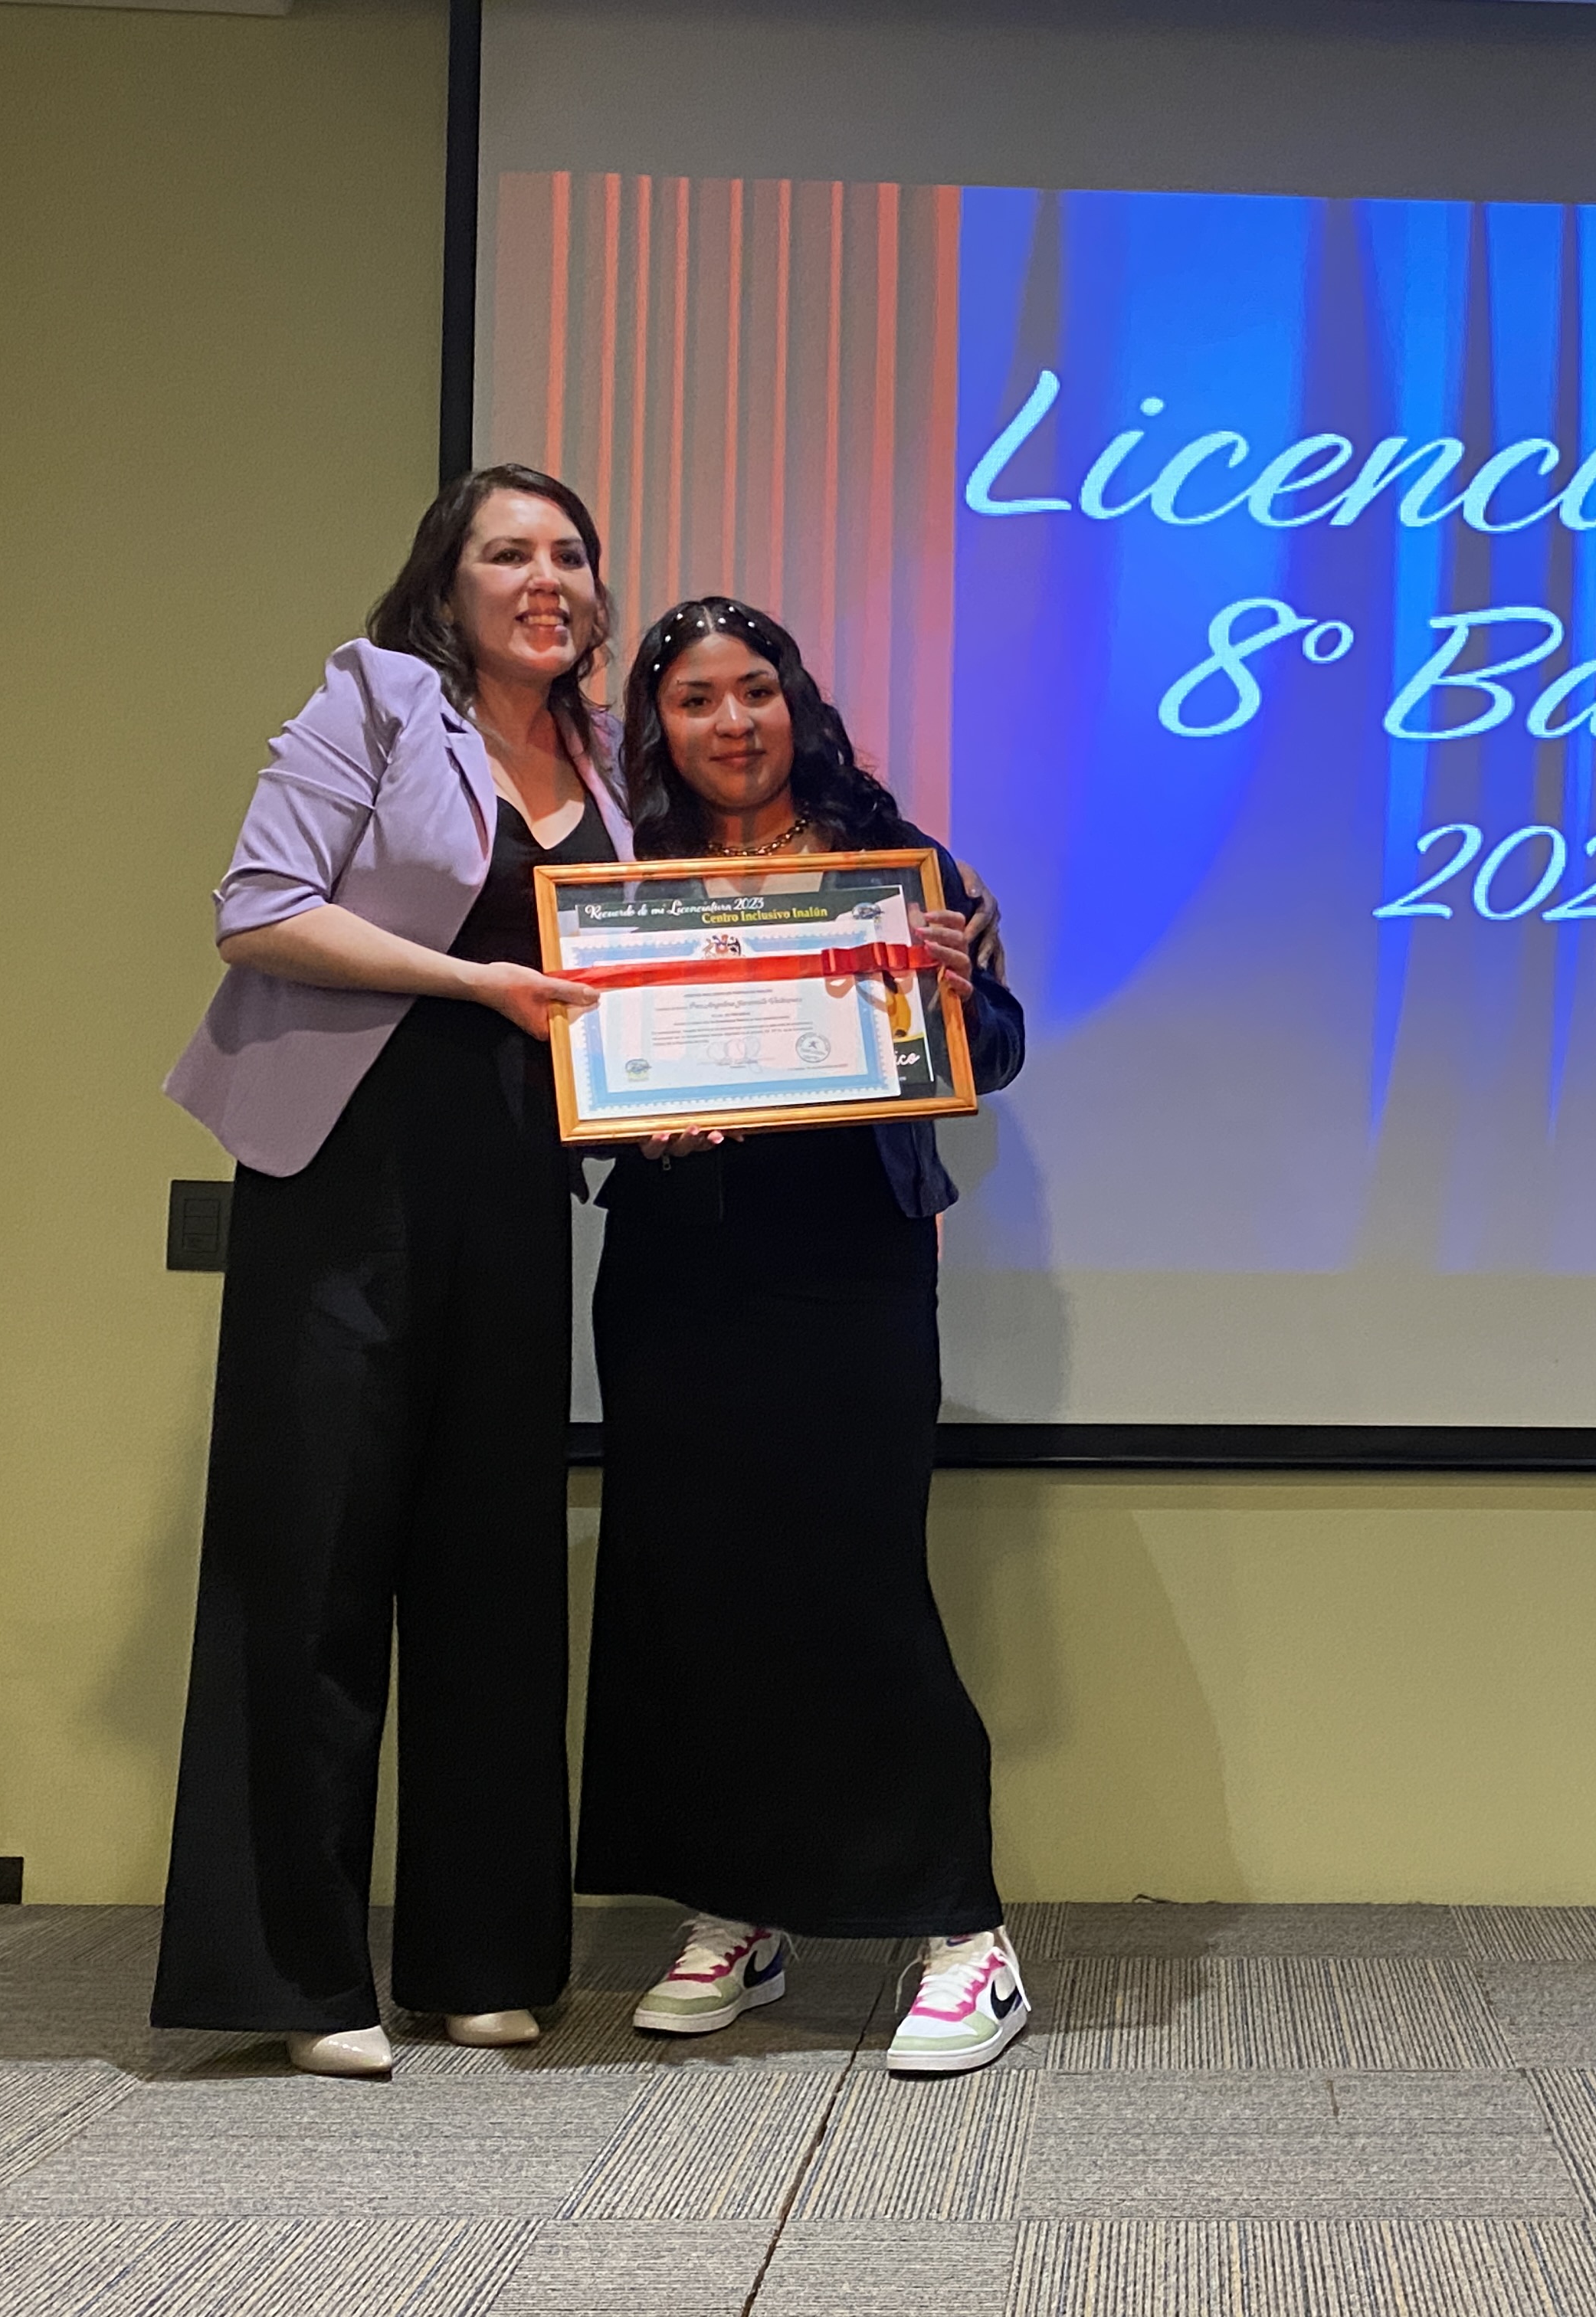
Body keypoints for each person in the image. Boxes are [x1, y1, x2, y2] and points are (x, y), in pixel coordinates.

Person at [154, 466, 632, 2076]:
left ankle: (479, 1958)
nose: (546, 578)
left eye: (569, 554)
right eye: (510, 553)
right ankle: (295, 1978)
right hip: (343, 1178)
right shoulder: (371, 701)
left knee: (496, 1568)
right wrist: (473, 981)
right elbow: (258, 912)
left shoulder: (604, 759)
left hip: (517, 1185)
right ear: (449, 580)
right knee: (314, 1559)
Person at [573, 596, 1033, 2077]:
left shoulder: (900, 863)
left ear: (797, 704)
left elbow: (996, 1049)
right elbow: (574, 1075)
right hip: (677, 1267)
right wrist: (627, 1121)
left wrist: (957, 990)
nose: (732, 722)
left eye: (755, 691)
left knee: (855, 1583)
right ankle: (740, 1906)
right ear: (659, 729)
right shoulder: (621, 880)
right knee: (694, 1585)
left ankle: (964, 1934)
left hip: (850, 1268)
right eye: (696, 700)